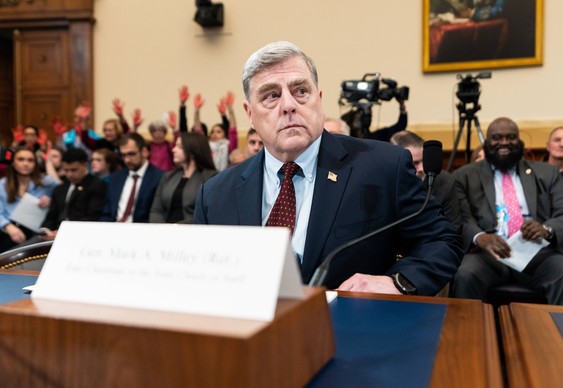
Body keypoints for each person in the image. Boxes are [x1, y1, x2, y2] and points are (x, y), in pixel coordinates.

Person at [195, 41, 462, 295]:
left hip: (352, 331)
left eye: (301, 91)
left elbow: (441, 242)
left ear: (319, 100)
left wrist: (397, 282)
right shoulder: (215, 195)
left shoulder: (382, 166)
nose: (289, 105)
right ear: (250, 114)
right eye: (271, 95)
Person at [452, 117, 563, 305]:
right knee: (465, 273)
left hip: (539, 251)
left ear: (520, 142)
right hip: (488, 253)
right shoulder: (465, 176)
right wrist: (479, 237)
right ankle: (469, 333)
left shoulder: (547, 173)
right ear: (487, 143)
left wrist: (547, 229)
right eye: (497, 137)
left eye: (511, 137)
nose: (504, 142)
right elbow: (460, 217)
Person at [390, 130, 462, 233]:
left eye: (424, 160)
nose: (422, 168)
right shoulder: (386, 182)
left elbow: (453, 226)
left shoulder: (445, 181)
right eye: (415, 163)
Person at [39, 148, 107, 240]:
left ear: (85, 165)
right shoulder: (60, 188)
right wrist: (45, 231)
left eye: (74, 170)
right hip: (53, 235)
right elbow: (51, 215)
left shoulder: (97, 185)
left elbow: (92, 218)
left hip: (80, 236)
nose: (69, 174)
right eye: (66, 170)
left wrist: (63, 232)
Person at [150, 132, 217, 223]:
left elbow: (207, 213)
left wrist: (176, 228)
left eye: (179, 147)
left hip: (192, 232)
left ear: (193, 150)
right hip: (163, 231)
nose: (173, 150)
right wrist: (162, 229)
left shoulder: (211, 177)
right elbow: (156, 210)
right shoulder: (168, 176)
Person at [0, 147, 58, 252]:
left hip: (36, 232)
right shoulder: (3, 184)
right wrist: (8, 226)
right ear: (13, 163)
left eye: (30, 160)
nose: (25, 164)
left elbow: (64, 191)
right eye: (21, 159)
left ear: (35, 164)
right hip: (8, 230)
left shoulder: (45, 182)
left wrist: (52, 200)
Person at [100, 133, 164, 223]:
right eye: (123, 155)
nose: (127, 160)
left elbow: (157, 214)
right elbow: (106, 213)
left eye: (131, 154)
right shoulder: (115, 178)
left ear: (144, 152)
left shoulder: (160, 177)